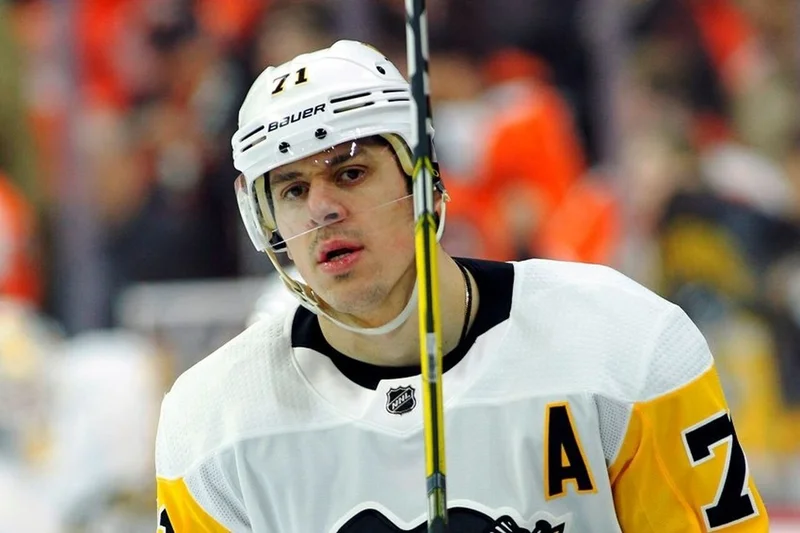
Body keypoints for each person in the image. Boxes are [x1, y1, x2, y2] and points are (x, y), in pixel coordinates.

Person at [154, 40, 769, 532]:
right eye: (292, 190)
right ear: (264, 222)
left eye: (351, 172)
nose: (322, 209)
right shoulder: (213, 423)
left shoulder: (622, 343)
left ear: (423, 180)